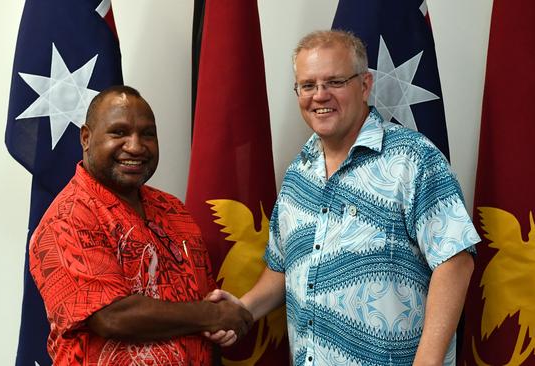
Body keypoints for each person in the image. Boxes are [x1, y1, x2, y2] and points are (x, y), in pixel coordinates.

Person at [207, 30, 481, 365]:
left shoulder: (413, 160)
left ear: (365, 85)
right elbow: (284, 267)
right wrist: (244, 309)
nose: (319, 96)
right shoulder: (297, 174)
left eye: (334, 82)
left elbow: (455, 260)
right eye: (308, 85)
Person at [29, 85, 252, 365]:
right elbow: (111, 316)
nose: (135, 146)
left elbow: (203, 304)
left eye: (147, 134)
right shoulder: (68, 218)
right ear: (86, 137)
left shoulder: (174, 210)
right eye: (119, 132)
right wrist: (214, 315)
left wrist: (219, 325)